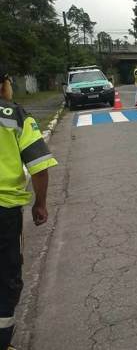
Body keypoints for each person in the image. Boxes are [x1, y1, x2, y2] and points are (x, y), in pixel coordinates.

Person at [0, 67, 57, 350]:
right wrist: (41, 203)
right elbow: (39, 165)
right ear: (4, 85)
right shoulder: (13, 115)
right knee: (6, 275)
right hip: (4, 210)